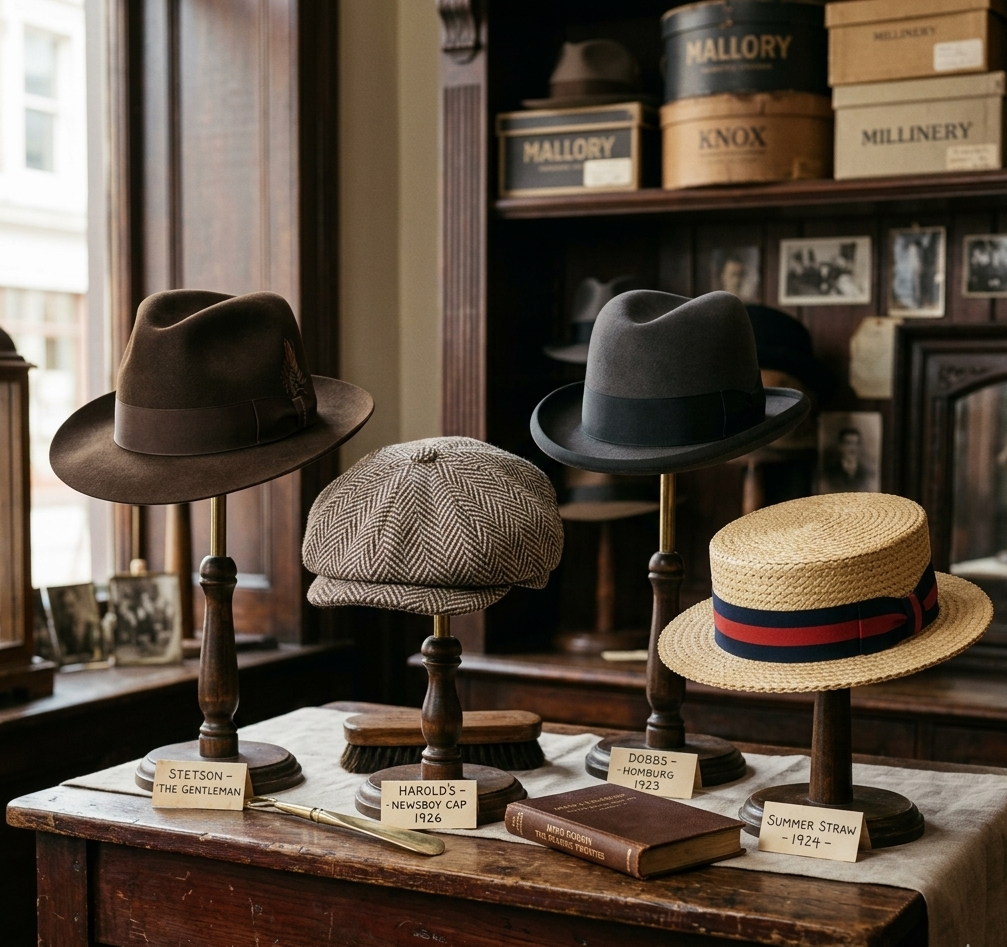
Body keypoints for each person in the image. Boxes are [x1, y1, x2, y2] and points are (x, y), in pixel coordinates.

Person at [820, 427, 874, 493]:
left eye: (856, 443)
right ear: (840, 446)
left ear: (859, 447)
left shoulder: (866, 474)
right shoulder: (829, 473)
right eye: (848, 443)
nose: (852, 448)